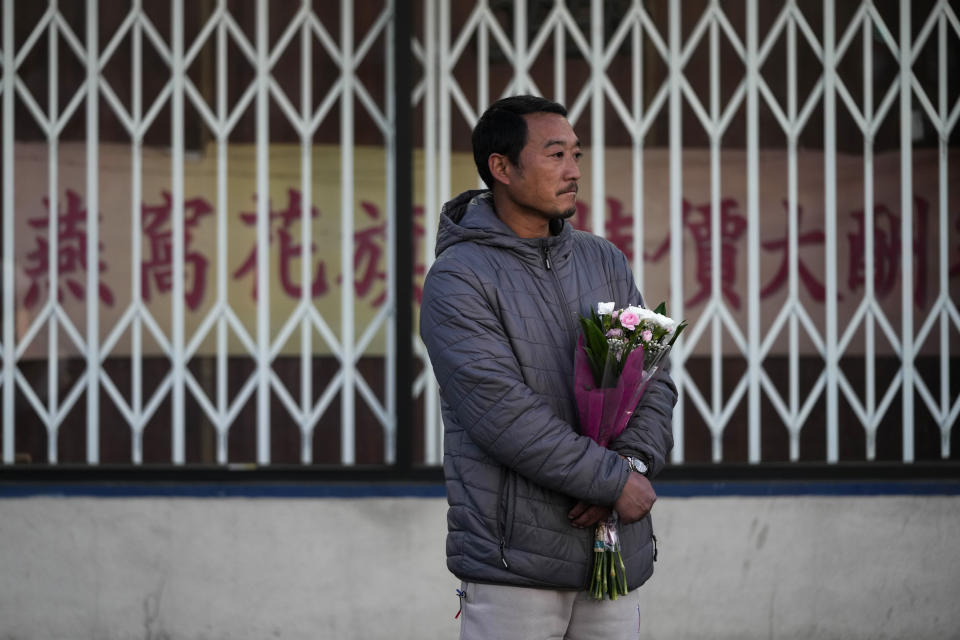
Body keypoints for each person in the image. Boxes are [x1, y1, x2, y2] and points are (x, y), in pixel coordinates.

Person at [419, 95, 677, 639]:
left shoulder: (603, 259)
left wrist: (630, 465)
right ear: (502, 167)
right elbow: (501, 413)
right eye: (556, 154)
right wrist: (609, 479)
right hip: (515, 562)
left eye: (576, 155)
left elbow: (650, 376)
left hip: (610, 551)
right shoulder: (458, 278)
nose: (573, 171)